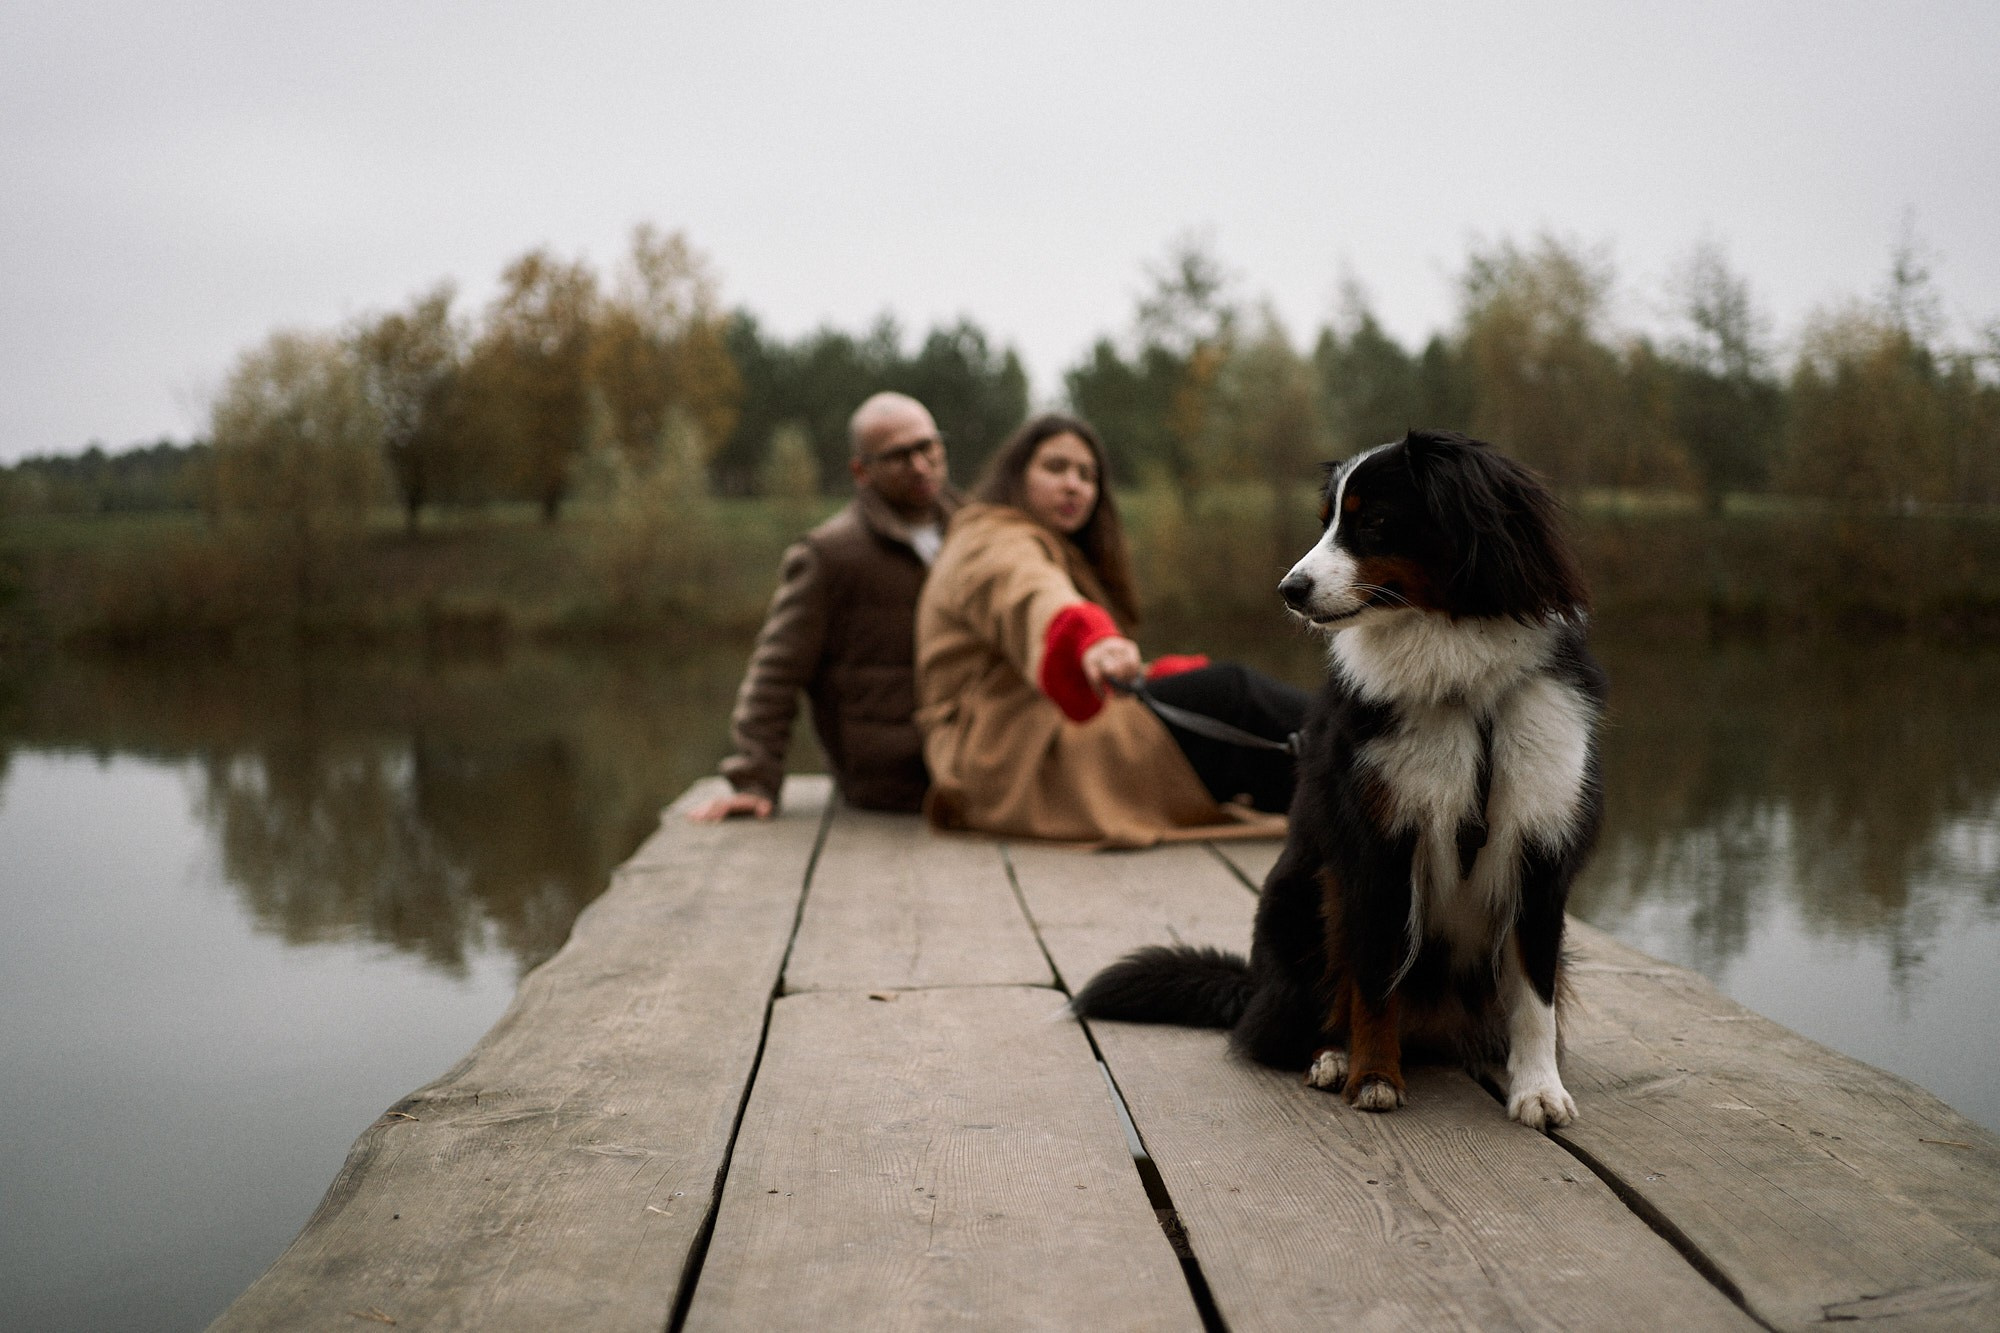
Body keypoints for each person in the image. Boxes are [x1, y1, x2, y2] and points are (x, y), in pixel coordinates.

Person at [914, 412, 1307, 847]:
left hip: (1025, 747)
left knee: (1222, 707)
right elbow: (1027, 592)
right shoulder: (990, 538)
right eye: (1055, 467)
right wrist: (1088, 639)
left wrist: (1149, 676)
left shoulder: (1034, 541)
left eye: (1087, 475)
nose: (1073, 485)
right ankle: (1377, 774)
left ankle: (1353, 803)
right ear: (1015, 474)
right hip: (1009, 759)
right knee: (1232, 694)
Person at [688, 392, 961, 821]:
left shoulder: (977, 532)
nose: (920, 466)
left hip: (974, 765)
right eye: (898, 456)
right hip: (887, 784)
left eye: (928, 447)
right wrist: (755, 779)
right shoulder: (831, 554)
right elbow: (776, 671)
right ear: (861, 470)